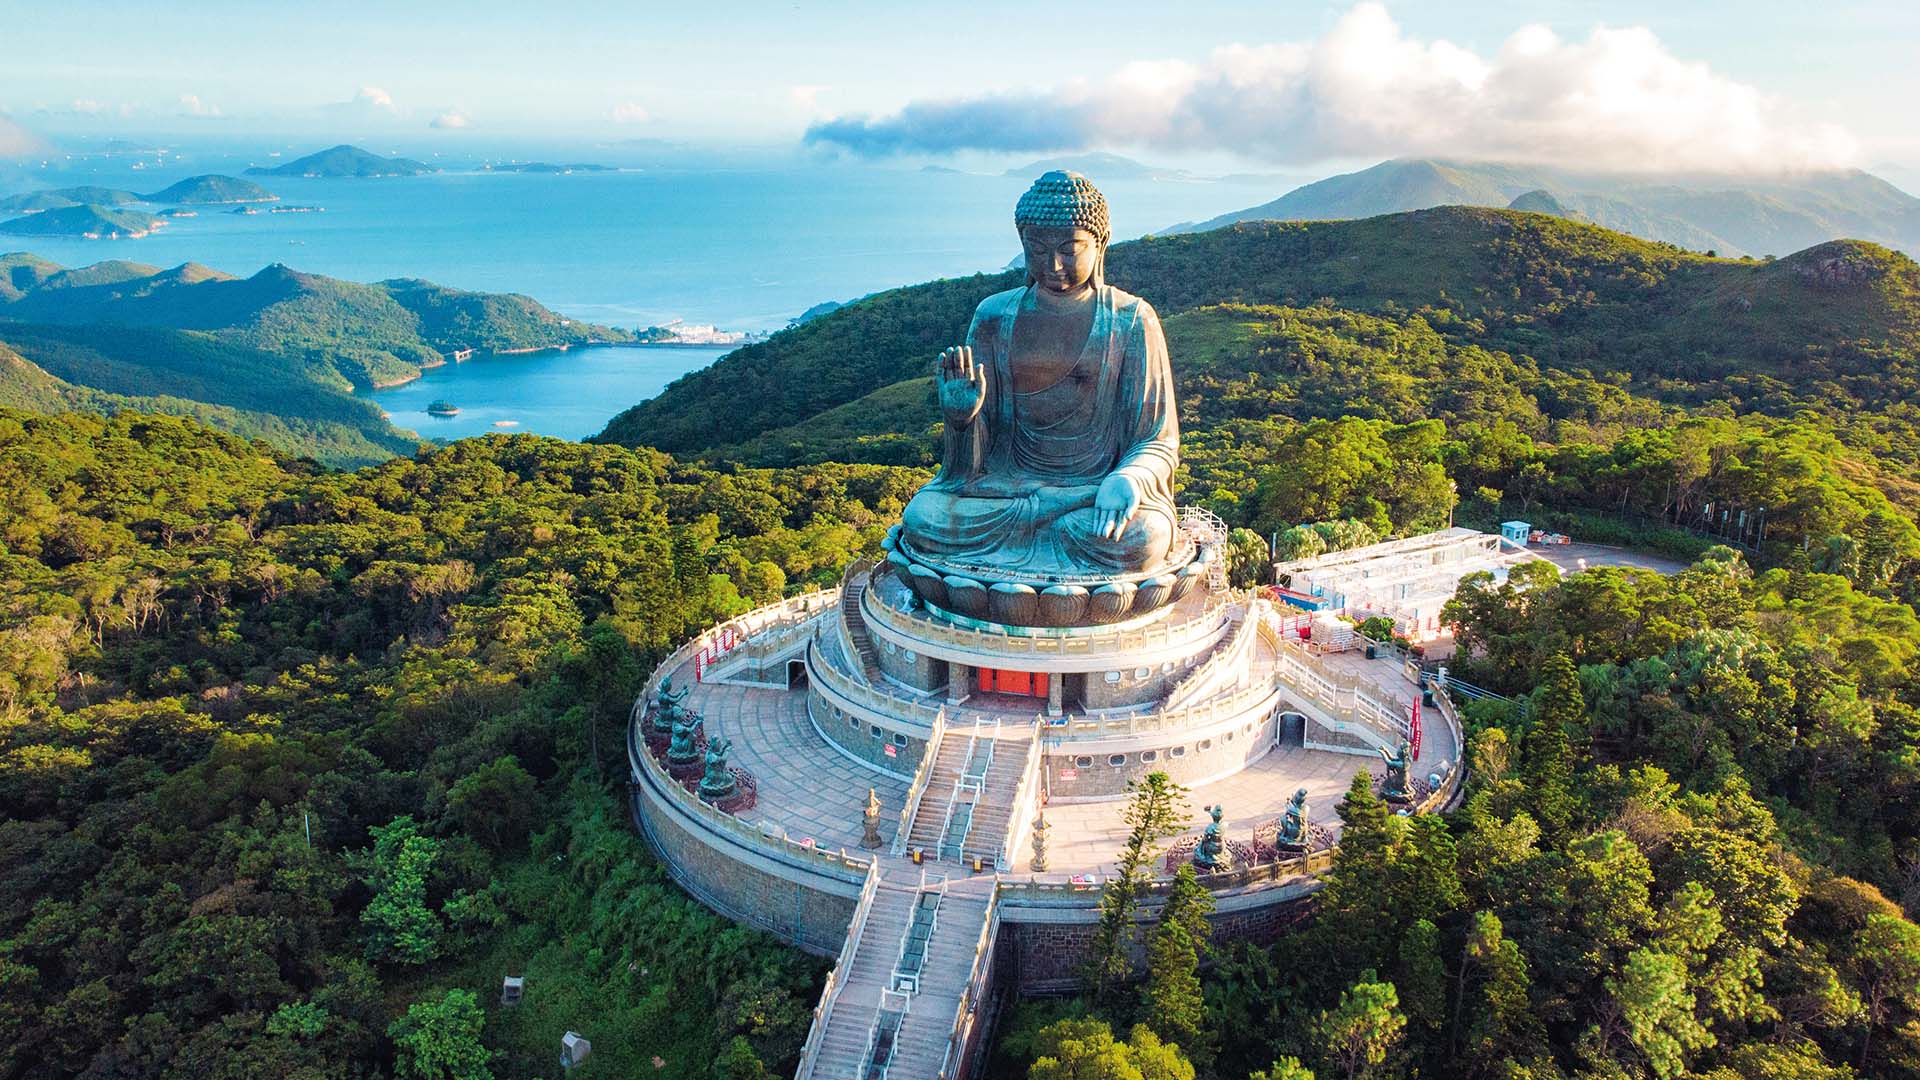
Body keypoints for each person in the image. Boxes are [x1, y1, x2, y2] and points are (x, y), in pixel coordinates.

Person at [897, 171, 1180, 580]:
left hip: (1093, 494)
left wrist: (1129, 479)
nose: (1054, 264)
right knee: (924, 518)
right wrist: (962, 420)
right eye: (1038, 249)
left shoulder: (1131, 320)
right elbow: (968, 468)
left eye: (1070, 249)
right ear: (1023, 245)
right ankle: (1045, 539)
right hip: (1007, 492)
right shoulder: (994, 316)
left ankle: (1035, 549)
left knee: (1142, 539)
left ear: (1099, 244)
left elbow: (1157, 440)